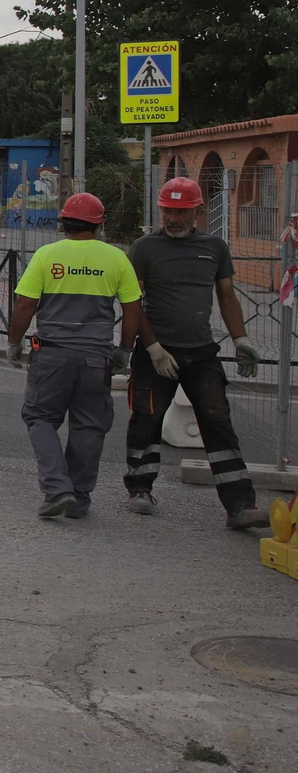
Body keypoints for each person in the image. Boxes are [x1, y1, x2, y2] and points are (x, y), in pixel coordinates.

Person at [123, 177, 267, 530]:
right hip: (156, 352)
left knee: (217, 422)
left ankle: (240, 506)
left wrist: (242, 339)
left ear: (198, 212)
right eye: (168, 210)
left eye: (181, 212)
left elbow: (227, 296)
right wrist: (153, 348)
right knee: (147, 418)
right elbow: (132, 302)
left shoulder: (215, 248)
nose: (173, 218)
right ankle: (140, 488)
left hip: (202, 352)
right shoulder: (144, 249)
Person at [6, 192, 141, 520]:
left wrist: (14, 343)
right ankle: (78, 498)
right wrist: (124, 350)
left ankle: (57, 489)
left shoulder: (45, 255)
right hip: (97, 358)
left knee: (40, 418)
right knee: (89, 426)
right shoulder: (117, 258)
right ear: (100, 224)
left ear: (63, 223)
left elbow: (25, 304)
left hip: (51, 355)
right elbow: (133, 309)